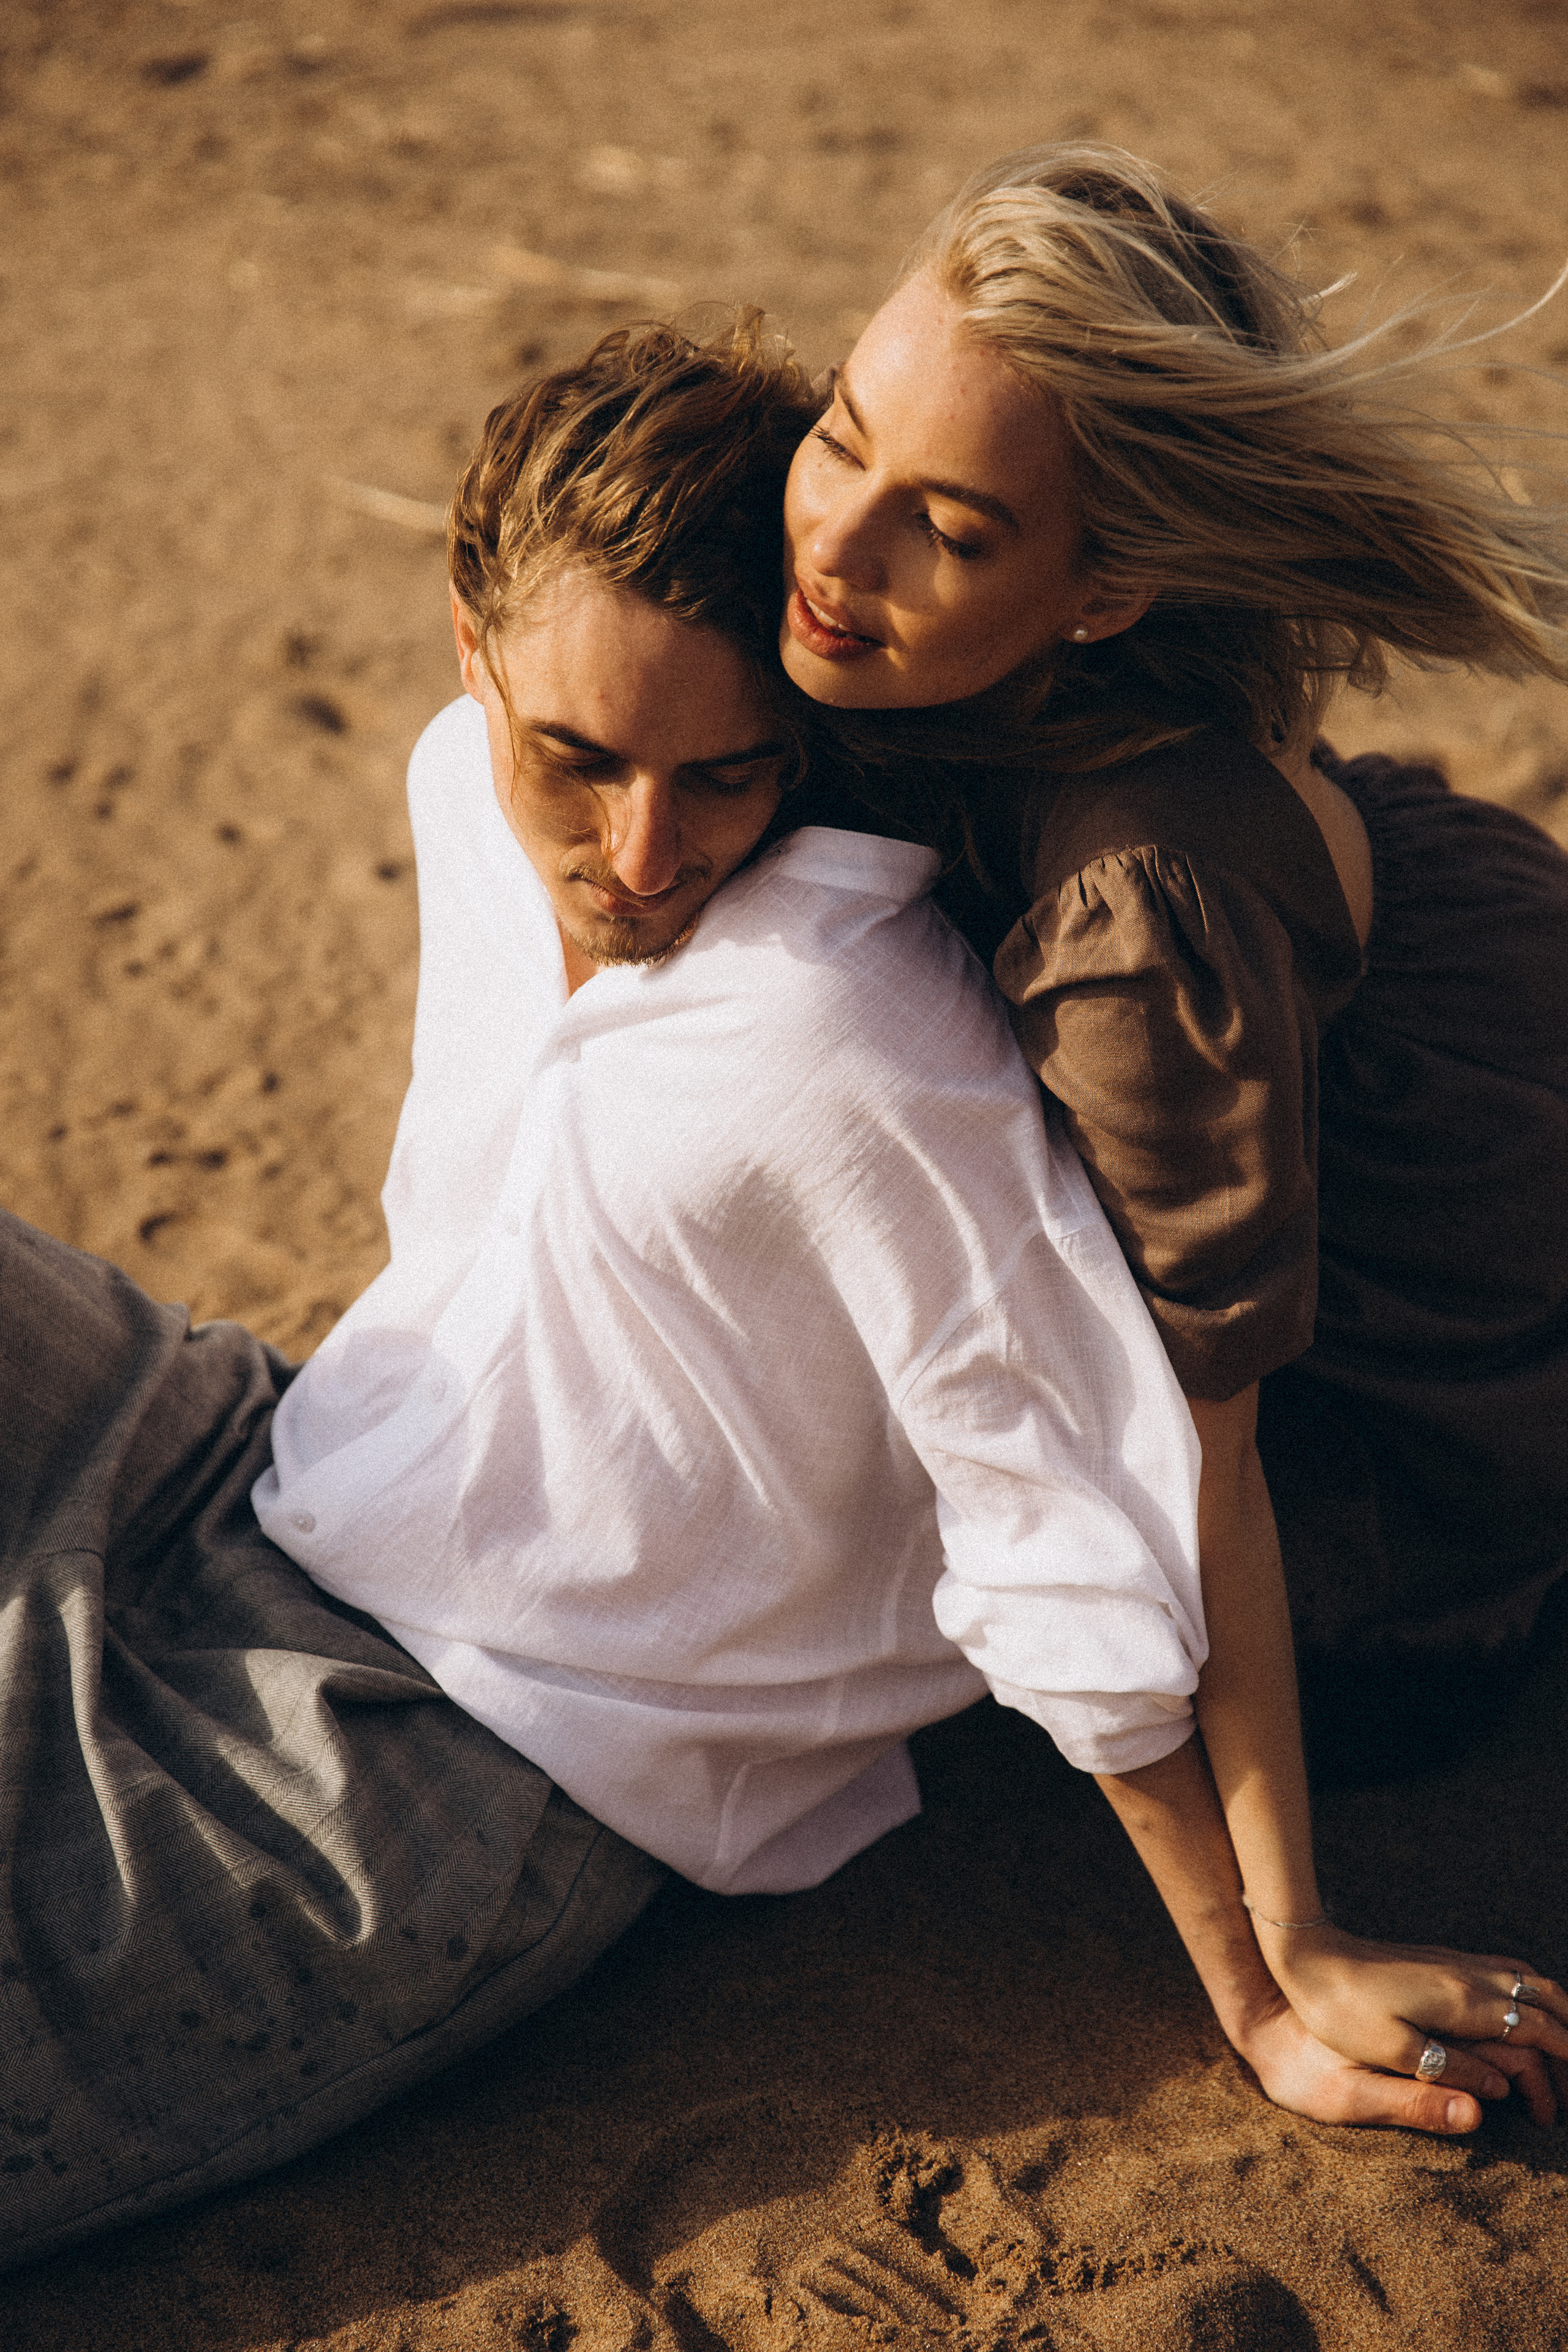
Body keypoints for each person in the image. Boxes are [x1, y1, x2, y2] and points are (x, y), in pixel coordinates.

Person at [1, 320, 1226, 2272]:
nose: (645, 856)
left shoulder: (851, 1035)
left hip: (479, 1747)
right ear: (469, 654)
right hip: (269, 1444)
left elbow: (1065, 1509)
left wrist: (1268, 1973)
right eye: (575, 762)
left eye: (728, 776)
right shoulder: (455, 784)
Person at [777, 143, 1568, 2133]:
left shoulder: (1136, 922)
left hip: (1382, 1545)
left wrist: (1289, 1953)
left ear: (1107, 593)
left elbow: (1191, 1452)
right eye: (841, 433)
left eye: (950, 527)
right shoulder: (967, 655)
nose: (839, 546)